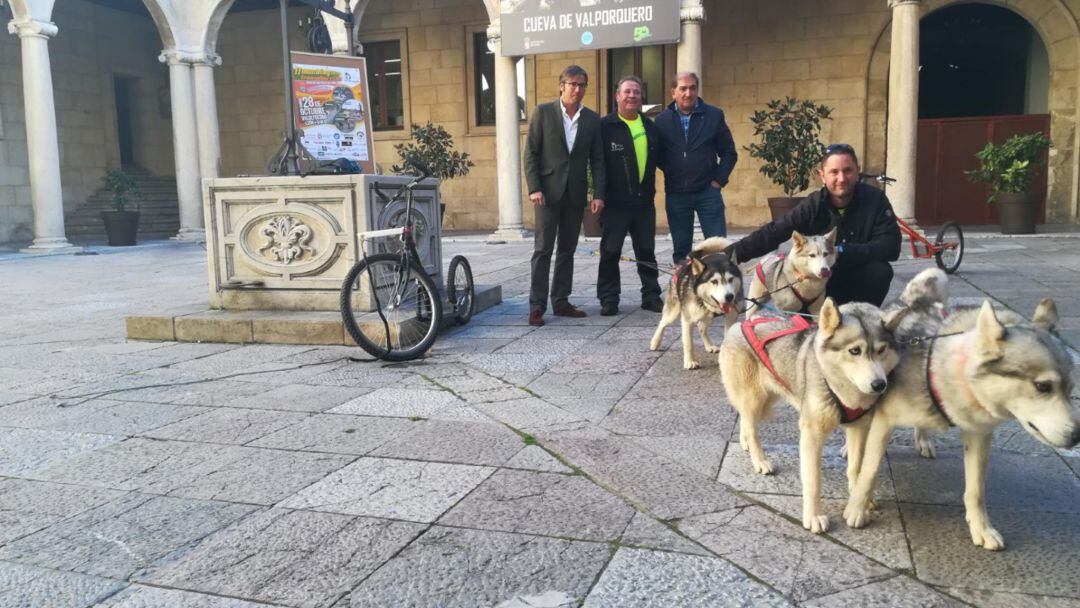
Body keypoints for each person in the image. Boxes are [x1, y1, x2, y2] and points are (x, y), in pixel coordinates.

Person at [728, 143, 901, 306]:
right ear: (822, 175)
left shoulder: (875, 200)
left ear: (857, 171)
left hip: (857, 279)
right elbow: (775, 231)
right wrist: (730, 255)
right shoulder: (813, 205)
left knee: (880, 271)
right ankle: (810, 321)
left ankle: (862, 318)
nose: (841, 178)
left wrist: (841, 250)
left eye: (847, 171)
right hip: (819, 286)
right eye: (834, 172)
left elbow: (891, 247)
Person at [524, 65, 606, 327]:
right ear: (561, 86)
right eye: (572, 84)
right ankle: (537, 305)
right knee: (543, 249)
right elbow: (531, 154)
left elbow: (598, 160)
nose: (577, 89)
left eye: (582, 85)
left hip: (576, 193)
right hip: (547, 193)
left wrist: (598, 194)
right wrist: (534, 187)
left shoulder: (592, 119)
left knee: (567, 250)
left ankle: (561, 301)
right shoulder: (543, 112)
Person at [655, 71, 738, 264]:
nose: (688, 93)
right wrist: (673, 170)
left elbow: (729, 153)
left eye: (692, 88)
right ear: (672, 92)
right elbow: (658, 156)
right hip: (676, 193)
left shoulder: (714, 115)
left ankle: (718, 289)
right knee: (681, 251)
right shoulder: (662, 121)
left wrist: (718, 181)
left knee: (718, 247)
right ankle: (684, 290)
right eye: (682, 89)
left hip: (708, 192)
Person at [596, 76, 662, 316]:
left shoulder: (650, 127)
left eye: (636, 92)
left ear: (641, 97)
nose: (632, 96)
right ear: (617, 96)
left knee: (646, 251)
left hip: (644, 203)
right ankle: (609, 298)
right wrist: (598, 195)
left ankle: (651, 295)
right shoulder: (605, 127)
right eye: (627, 92)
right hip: (615, 204)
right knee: (610, 252)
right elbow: (598, 164)